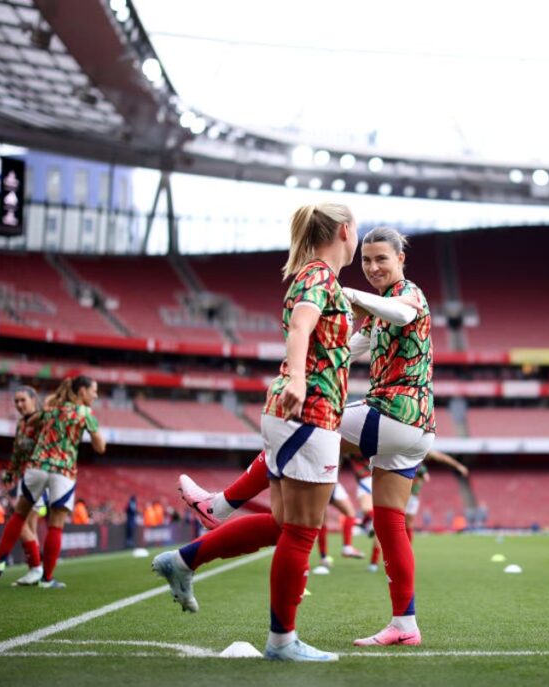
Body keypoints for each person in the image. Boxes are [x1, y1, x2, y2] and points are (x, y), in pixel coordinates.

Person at [170, 227, 438, 648]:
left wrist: (349, 294)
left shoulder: (410, 293)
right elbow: (348, 349)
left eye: (381, 259)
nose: (372, 268)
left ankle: (218, 505)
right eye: (366, 260)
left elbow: (404, 314)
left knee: (305, 426)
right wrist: (321, 342)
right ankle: (405, 623)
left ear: (401, 258)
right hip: (414, 429)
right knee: (390, 524)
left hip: (393, 414)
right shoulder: (377, 313)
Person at [153, 203, 363, 662]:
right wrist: (299, 380)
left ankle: (185, 558)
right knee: (303, 532)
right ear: (346, 231)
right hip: (309, 411)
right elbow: (302, 325)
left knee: (286, 525)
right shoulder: (320, 277)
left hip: (296, 412)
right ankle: (283, 642)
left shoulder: (317, 277)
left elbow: (324, 340)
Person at [0, 376, 106, 589]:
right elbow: (100, 447)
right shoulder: (85, 413)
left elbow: (30, 421)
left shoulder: (52, 408)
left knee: (19, 514)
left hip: (37, 466)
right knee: (55, 524)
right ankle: (47, 578)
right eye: (93, 391)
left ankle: (0, 559)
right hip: (63, 470)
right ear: (81, 392)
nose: (95, 395)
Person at [3, 386, 49, 586]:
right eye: (16, 401)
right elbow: (17, 452)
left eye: (23, 400)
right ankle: (36, 570)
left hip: (38, 478)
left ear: (34, 399)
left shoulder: (42, 420)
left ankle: (36, 569)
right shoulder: (21, 425)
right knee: (29, 526)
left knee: (20, 524)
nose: (19, 405)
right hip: (25, 478)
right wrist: (11, 471)